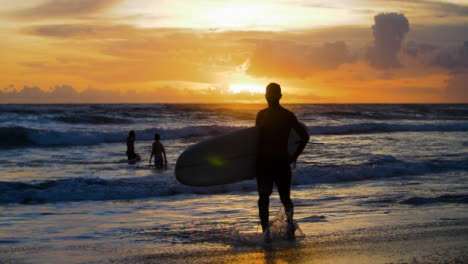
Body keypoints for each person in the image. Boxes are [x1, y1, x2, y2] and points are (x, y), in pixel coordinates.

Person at [255, 83, 310, 242]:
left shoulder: (280, 115)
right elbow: (255, 140)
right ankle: (267, 234)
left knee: (283, 198)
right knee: (265, 199)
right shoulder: (269, 115)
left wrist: (294, 156)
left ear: (279, 96)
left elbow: (304, 137)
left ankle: (289, 230)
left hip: (276, 163)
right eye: (268, 94)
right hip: (266, 164)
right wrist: (293, 156)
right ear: (266, 96)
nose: (270, 97)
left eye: (272, 94)